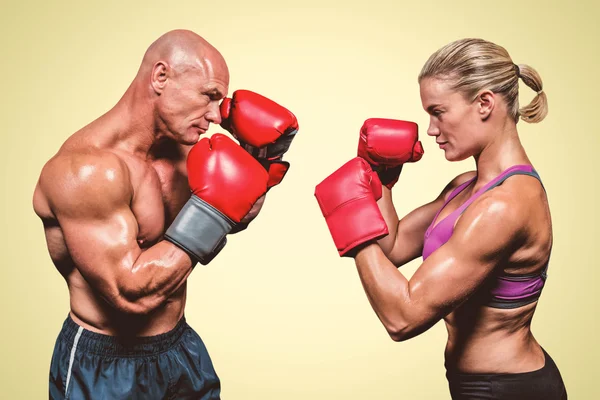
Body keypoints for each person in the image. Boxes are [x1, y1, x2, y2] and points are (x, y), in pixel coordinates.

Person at [33, 29, 298, 399]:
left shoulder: (184, 151)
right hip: (106, 366)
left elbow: (226, 221)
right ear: (161, 76)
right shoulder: (87, 171)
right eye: (209, 96)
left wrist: (259, 166)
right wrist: (216, 209)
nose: (216, 115)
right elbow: (131, 293)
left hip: (178, 346)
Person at [315, 38, 567, 399]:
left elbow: (402, 318)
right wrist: (382, 179)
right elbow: (394, 245)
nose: (431, 129)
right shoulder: (466, 186)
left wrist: (350, 217)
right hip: (475, 385)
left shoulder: (506, 205)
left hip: (509, 389)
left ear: (484, 104)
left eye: (438, 112)